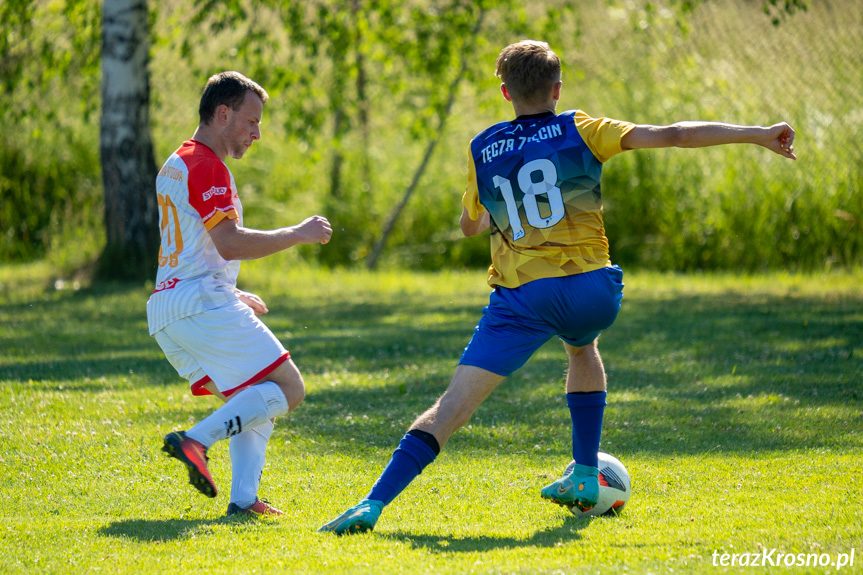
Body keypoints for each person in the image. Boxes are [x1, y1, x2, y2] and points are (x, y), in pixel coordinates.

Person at [318, 40, 796, 534]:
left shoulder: (483, 147)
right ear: (558, 89)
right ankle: (586, 474)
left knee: (452, 407)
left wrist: (493, 214)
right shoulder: (581, 128)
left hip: (524, 299)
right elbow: (672, 134)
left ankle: (372, 504)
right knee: (582, 346)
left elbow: (469, 225)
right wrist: (759, 134)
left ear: (506, 92)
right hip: (594, 292)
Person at [148, 71, 333, 516]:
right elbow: (229, 242)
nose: (257, 133)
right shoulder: (207, 165)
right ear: (223, 113)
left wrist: (232, 292)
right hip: (199, 305)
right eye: (251, 121)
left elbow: (196, 247)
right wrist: (298, 233)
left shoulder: (177, 160)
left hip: (170, 308)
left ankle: (243, 501)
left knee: (253, 399)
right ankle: (195, 441)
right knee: (288, 388)